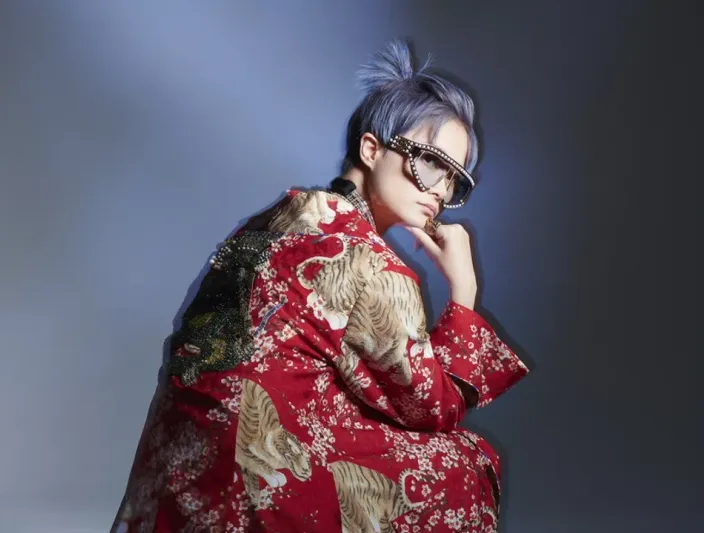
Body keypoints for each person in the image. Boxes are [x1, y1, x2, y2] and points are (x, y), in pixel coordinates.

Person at [112, 39, 529, 533]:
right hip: (251, 488)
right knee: (463, 463)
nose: (440, 189)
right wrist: (464, 292)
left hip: (177, 472)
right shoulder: (372, 264)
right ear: (371, 149)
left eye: (456, 180)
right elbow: (432, 408)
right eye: (431, 162)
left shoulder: (281, 216)